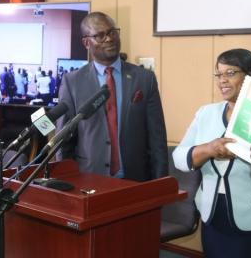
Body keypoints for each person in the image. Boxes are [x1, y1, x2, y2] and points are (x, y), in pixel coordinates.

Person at [173, 49, 251, 258]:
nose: (222, 80)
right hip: (213, 216)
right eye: (219, 74)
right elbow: (179, 157)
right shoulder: (206, 113)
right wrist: (209, 149)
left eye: (230, 73)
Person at [56, 11, 168, 181]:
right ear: (87, 42)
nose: (109, 39)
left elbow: (157, 139)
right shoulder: (73, 82)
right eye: (100, 35)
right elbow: (63, 140)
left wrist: (161, 184)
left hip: (135, 180)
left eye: (112, 32)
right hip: (89, 180)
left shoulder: (144, 79)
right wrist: (66, 183)